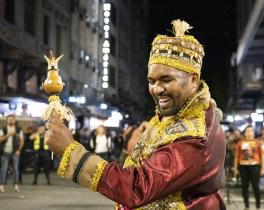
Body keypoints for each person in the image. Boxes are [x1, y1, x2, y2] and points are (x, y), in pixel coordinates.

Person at [45, 20, 226, 209]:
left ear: (193, 80)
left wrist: (71, 152)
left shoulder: (193, 137)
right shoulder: (185, 115)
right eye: (151, 81)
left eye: (166, 79)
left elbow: (137, 188)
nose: (156, 89)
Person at [234, 125, 264, 210]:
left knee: (256, 187)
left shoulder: (258, 142)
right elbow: (236, 157)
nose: (249, 133)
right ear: (245, 133)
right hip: (243, 167)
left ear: (253, 133)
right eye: (248, 131)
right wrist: (235, 168)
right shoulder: (240, 143)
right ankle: (246, 206)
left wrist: (263, 168)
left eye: (251, 131)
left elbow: (262, 157)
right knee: (244, 186)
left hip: (255, 166)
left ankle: (258, 207)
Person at [0, 115, 24, 193]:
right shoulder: (3, 129)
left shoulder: (18, 129)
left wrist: (19, 150)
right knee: (4, 169)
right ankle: (2, 185)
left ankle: (16, 185)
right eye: (9, 119)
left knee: (16, 169)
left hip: (15, 152)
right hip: (5, 152)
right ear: (7, 121)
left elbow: (22, 141)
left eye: (12, 119)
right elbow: (0, 139)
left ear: (14, 121)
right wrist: (9, 135)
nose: (10, 121)